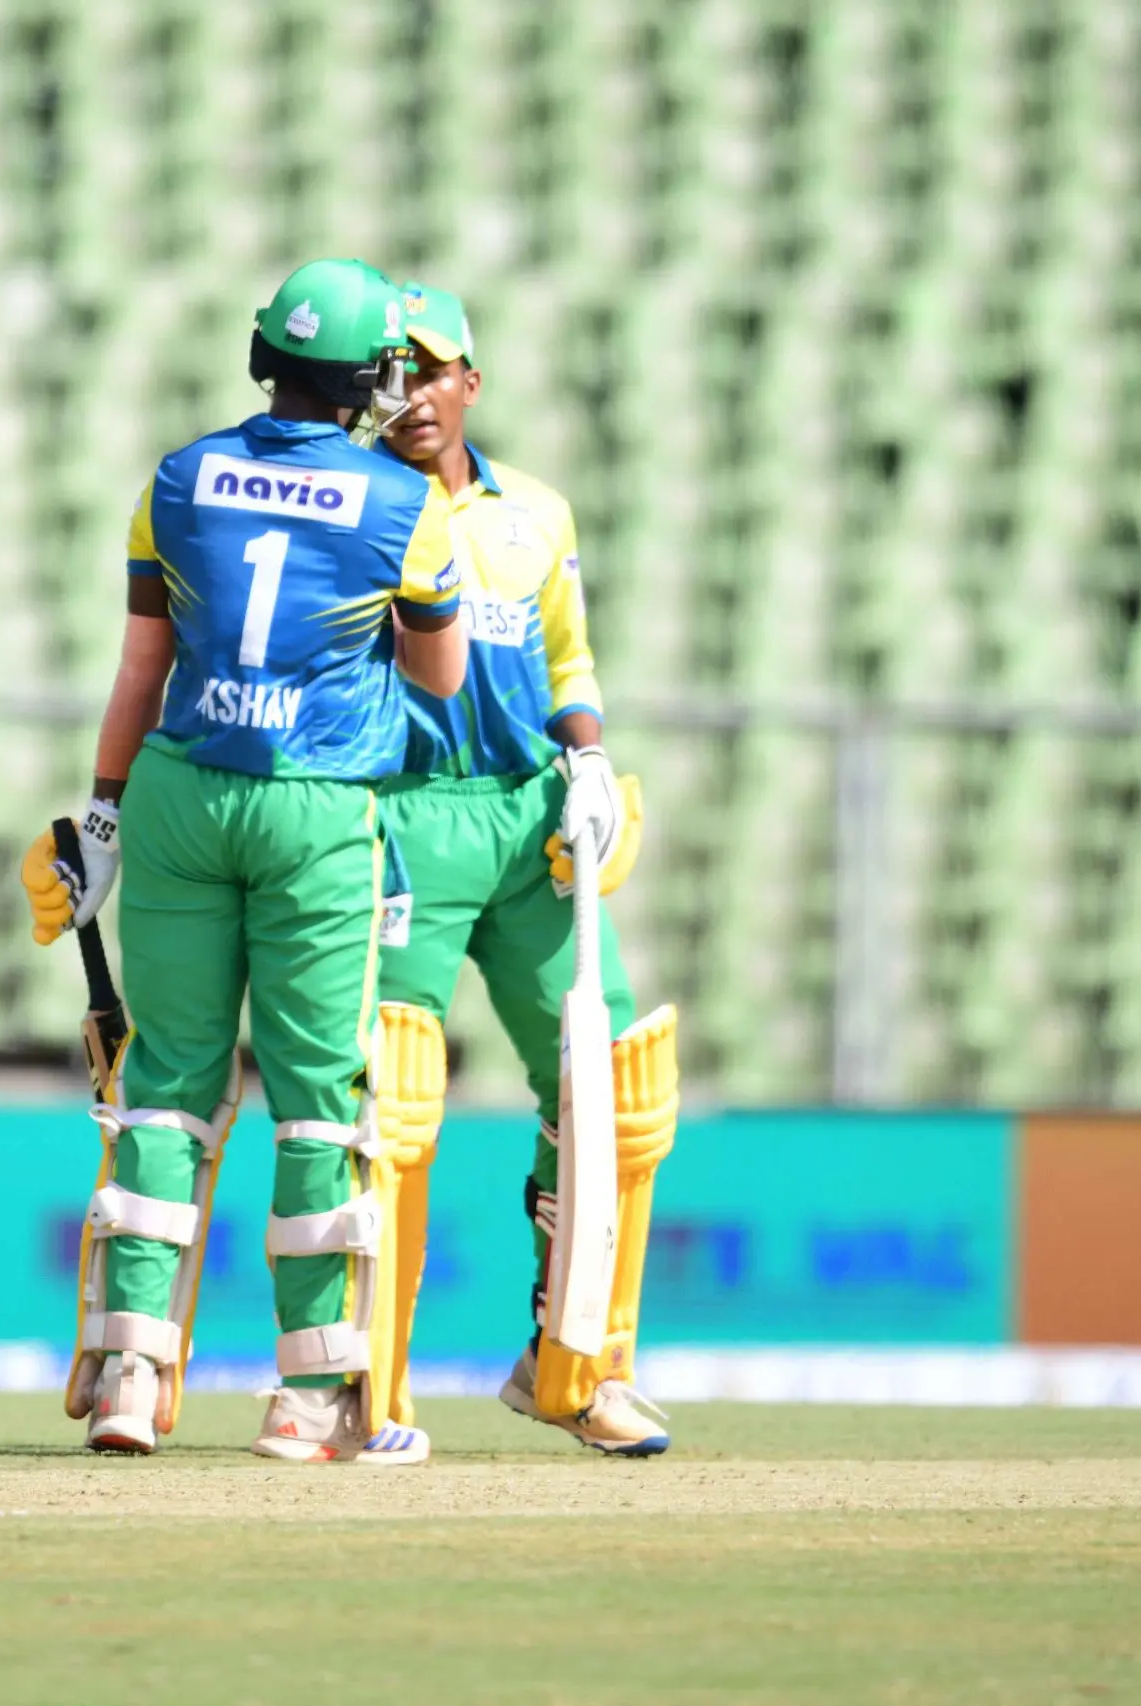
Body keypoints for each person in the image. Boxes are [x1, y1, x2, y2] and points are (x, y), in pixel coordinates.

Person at [21, 258, 466, 1464]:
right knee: (319, 1098)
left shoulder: (176, 478)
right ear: (367, 379)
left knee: (166, 1082)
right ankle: (306, 1396)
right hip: (314, 808)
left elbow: (139, 668)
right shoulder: (404, 503)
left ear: (266, 356)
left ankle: (128, 1372)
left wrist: (101, 816)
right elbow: (441, 677)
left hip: (178, 794)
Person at [363, 282, 679, 1456]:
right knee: (389, 1097)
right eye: (389, 372)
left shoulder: (536, 511)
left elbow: (567, 660)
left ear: (470, 382)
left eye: (430, 370)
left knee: (614, 1086)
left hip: (530, 816)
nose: (410, 394)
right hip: (401, 814)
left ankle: (576, 1366)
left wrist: (587, 762)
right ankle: (366, 1388)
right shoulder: (349, 505)